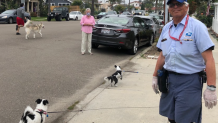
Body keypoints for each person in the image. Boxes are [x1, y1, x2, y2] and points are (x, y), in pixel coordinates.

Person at [152, 0, 217, 123]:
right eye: (172, 4)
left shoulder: (197, 27)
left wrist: (211, 87)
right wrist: (155, 76)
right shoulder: (167, 28)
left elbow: (209, 59)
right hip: (169, 79)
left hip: (190, 81)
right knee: (171, 117)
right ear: (168, 8)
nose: (175, 7)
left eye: (179, 4)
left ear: (186, 6)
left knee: (186, 119)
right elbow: (162, 56)